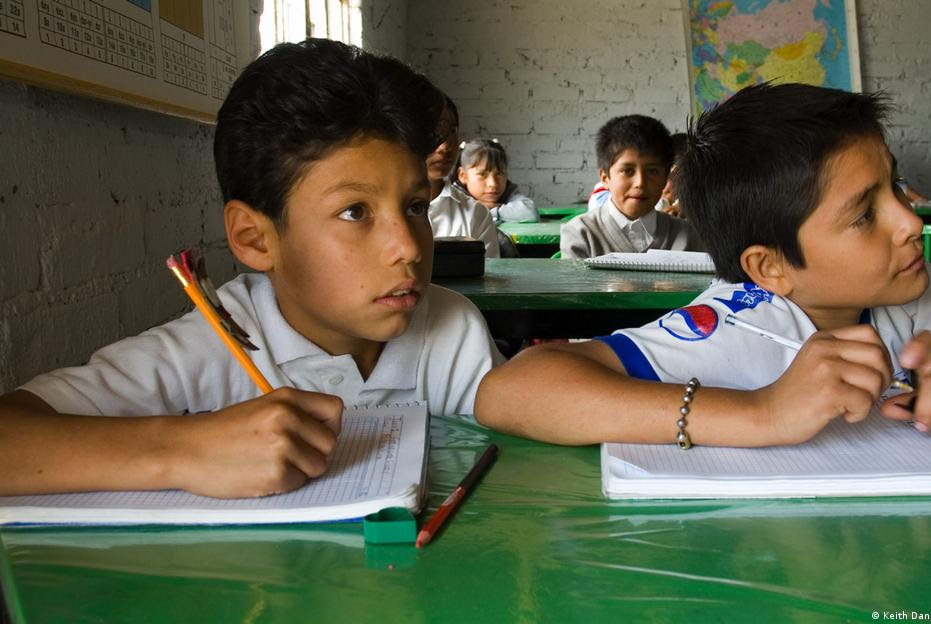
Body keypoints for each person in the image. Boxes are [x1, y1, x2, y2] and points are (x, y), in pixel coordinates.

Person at [476, 83, 931, 447]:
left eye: (895, 187)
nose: (911, 223)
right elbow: (512, 390)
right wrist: (761, 413)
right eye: (865, 214)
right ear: (769, 267)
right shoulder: (735, 324)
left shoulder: (917, 295)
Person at [0, 39, 503, 497]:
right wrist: (185, 450)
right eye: (355, 212)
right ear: (254, 238)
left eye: (416, 207)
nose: (408, 248)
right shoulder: (214, 345)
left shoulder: (448, 327)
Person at [562, 115, 703, 259]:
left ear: (665, 177)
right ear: (605, 177)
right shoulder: (581, 234)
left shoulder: (688, 236)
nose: (640, 182)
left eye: (652, 171)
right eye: (627, 171)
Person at [425, 98, 500, 257]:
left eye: (452, 131)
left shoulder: (476, 215)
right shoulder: (379, 212)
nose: (445, 146)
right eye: (432, 131)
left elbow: (489, 280)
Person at [453, 138, 538, 223]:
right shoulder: (451, 199)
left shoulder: (508, 192)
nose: (493, 184)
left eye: (499, 174)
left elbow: (529, 212)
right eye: (482, 174)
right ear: (463, 176)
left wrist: (491, 208)